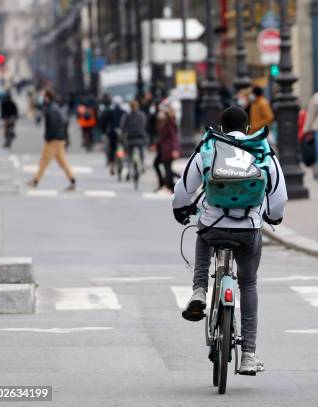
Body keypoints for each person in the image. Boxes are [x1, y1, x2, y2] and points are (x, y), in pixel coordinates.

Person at [172, 106, 288, 375]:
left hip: (214, 226)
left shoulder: (209, 149)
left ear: (221, 128)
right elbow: (279, 198)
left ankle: (199, 289)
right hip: (248, 230)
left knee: (202, 233)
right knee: (248, 284)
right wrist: (272, 217)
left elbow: (183, 191)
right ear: (248, 128)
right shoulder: (262, 151)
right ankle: (248, 354)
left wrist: (181, 210)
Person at [27, 90, 76, 191]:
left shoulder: (51, 109)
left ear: (47, 97)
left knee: (44, 161)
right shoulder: (53, 107)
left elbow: (53, 126)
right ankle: (72, 180)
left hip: (53, 140)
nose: (43, 99)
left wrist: (49, 138)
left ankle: (35, 181)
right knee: (62, 162)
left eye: (44, 97)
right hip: (59, 139)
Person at [153, 103, 180, 192]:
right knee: (164, 167)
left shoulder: (169, 123)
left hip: (167, 150)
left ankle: (173, 185)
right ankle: (168, 185)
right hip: (163, 149)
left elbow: (173, 137)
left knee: (167, 169)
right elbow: (162, 138)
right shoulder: (165, 122)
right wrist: (156, 145)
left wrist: (175, 149)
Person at [120, 100, 148, 175]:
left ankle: (128, 169)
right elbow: (144, 125)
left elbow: (123, 127)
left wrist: (123, 135)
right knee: (141, 152)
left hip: (130, 138)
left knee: (128, 154)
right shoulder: (141, 115)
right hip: (140, 137)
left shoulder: (127, 115)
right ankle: (142, 165)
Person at [104, 96, 126, 174]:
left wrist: (105, 132)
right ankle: (124, 163)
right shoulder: (124, 112)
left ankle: (112, 165)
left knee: (112, 150)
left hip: (112, 134)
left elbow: (104, 122)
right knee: (124, 147)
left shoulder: (110, 112)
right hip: (122, 134)